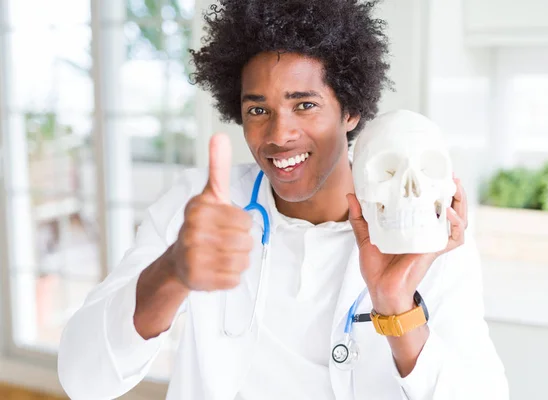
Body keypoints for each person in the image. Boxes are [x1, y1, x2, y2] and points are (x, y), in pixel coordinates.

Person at [57, 1, 509, 399]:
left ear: (350, 111)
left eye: (305, 104)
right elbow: (83, 381)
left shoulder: (427, 232)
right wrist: (173, 270)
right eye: (258, 110)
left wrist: (396, 305)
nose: (278, 134)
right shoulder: (200, 208)